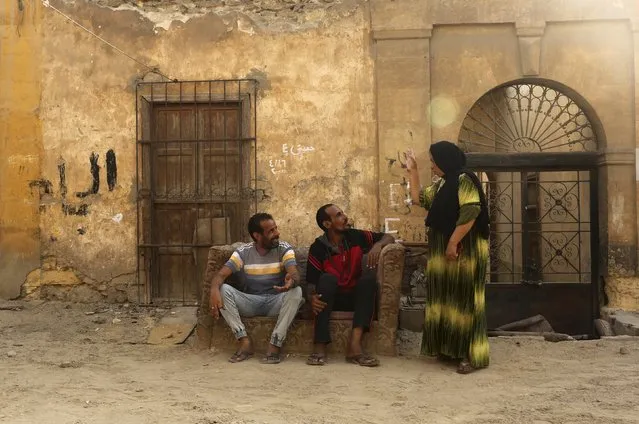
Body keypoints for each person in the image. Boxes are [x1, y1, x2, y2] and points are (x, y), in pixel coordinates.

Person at [404, 141, 490, 374]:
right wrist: (413, 170)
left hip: (465, 251)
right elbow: (418, 199)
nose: (431, 166)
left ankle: (472, 355)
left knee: (465, 299)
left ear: (444, 160)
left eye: (433, 161)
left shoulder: (465, 180)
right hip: (447, 251)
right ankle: (451, 349)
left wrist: (453, 242)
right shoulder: (443, 183)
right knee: (448, 298)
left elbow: (471, 211)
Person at [207, 212, 303, 364]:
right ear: (257, 236)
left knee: (297, 292)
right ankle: (244, 341)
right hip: (250, 302)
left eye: (276, 228)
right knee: (223, 289)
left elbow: (294, 273)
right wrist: (213, 289)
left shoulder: (284, 248)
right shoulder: (243, 252)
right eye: (271, 231)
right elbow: (220, 276)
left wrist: (292, 280)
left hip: (276, 302)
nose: (277, 233)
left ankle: (275, 345)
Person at [305, 204, 395, 366]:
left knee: (368, 280)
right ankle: (319, 345)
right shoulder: (318, 247)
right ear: (327, 224)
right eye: (339, 215)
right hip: (331, 299)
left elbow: (388, 237)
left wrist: (377, 245)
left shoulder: (355, 236)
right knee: (326, 280)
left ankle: (355, 345)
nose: (345, 217)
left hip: (355, 297)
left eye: (343, 213)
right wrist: (311, 297)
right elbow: (311, 282)